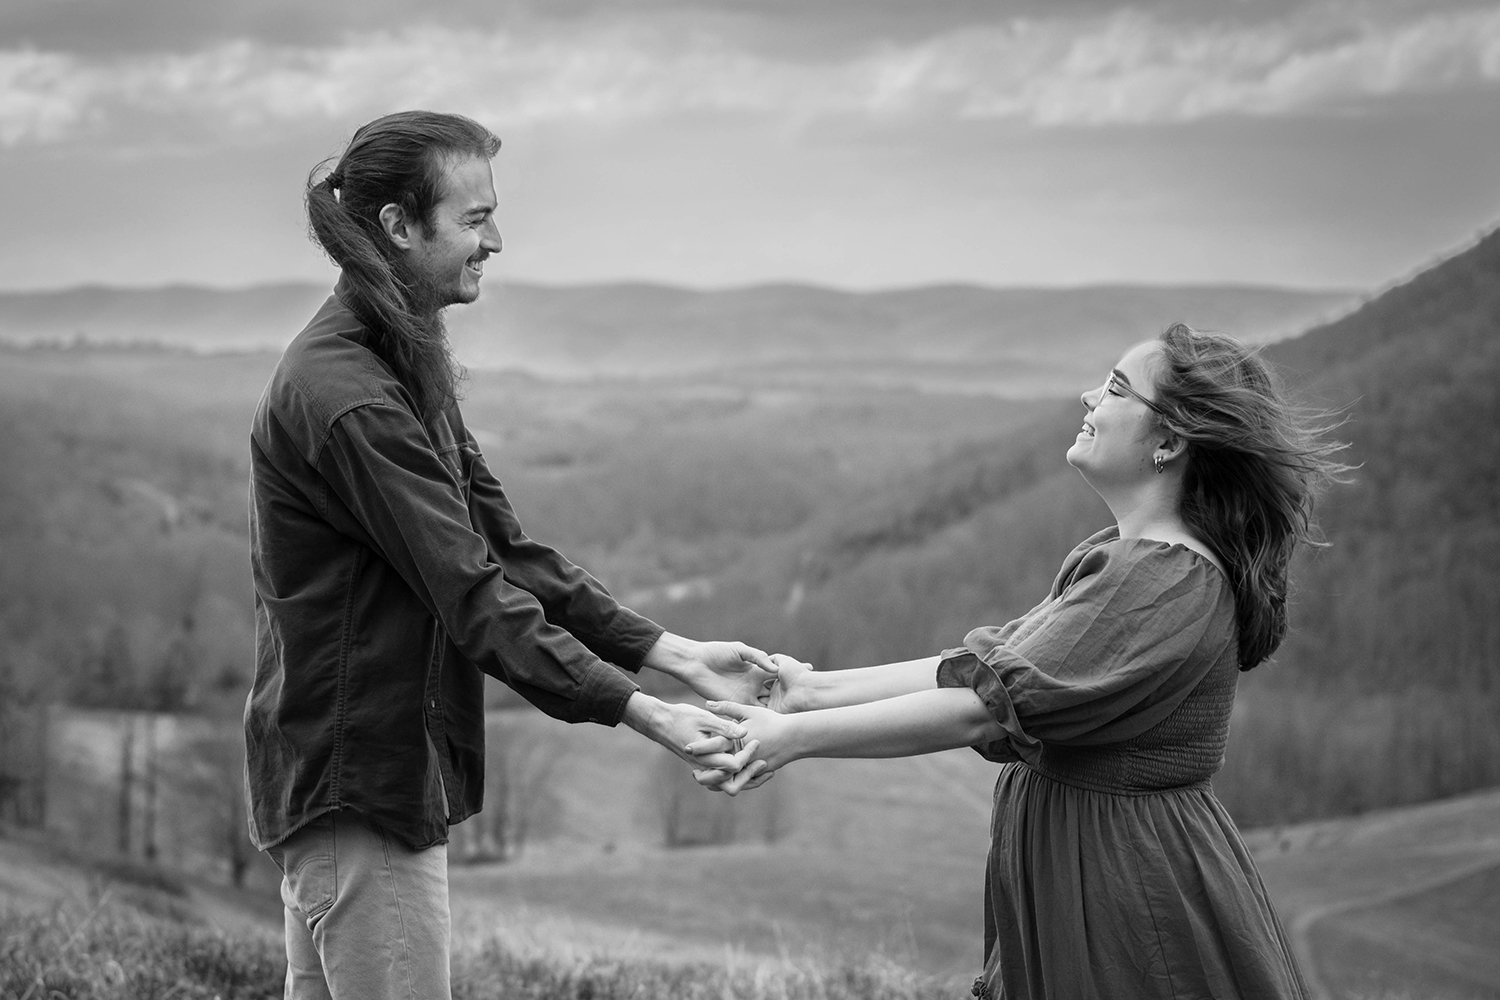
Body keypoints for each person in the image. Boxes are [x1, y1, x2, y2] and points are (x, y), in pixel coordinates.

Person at [245, 110, 765, 1000]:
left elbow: (504, 547)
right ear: (399, 227)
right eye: (474, 218)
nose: (497, 240)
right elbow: (473, 596)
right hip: (364, 796)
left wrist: (671, 654)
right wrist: (645, 714)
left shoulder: (397, 362)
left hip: (350, 784)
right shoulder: (350, 396)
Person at [701, 324, 1346, 999]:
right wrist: (810, 691)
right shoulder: (1138, 563)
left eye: (1118, 388)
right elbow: (984, 669)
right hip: (1100, 873)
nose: (1089, 395)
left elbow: (979, 709)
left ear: (1169, 442)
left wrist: (790, 740)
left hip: (1126, 893)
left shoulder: (1161, 577)